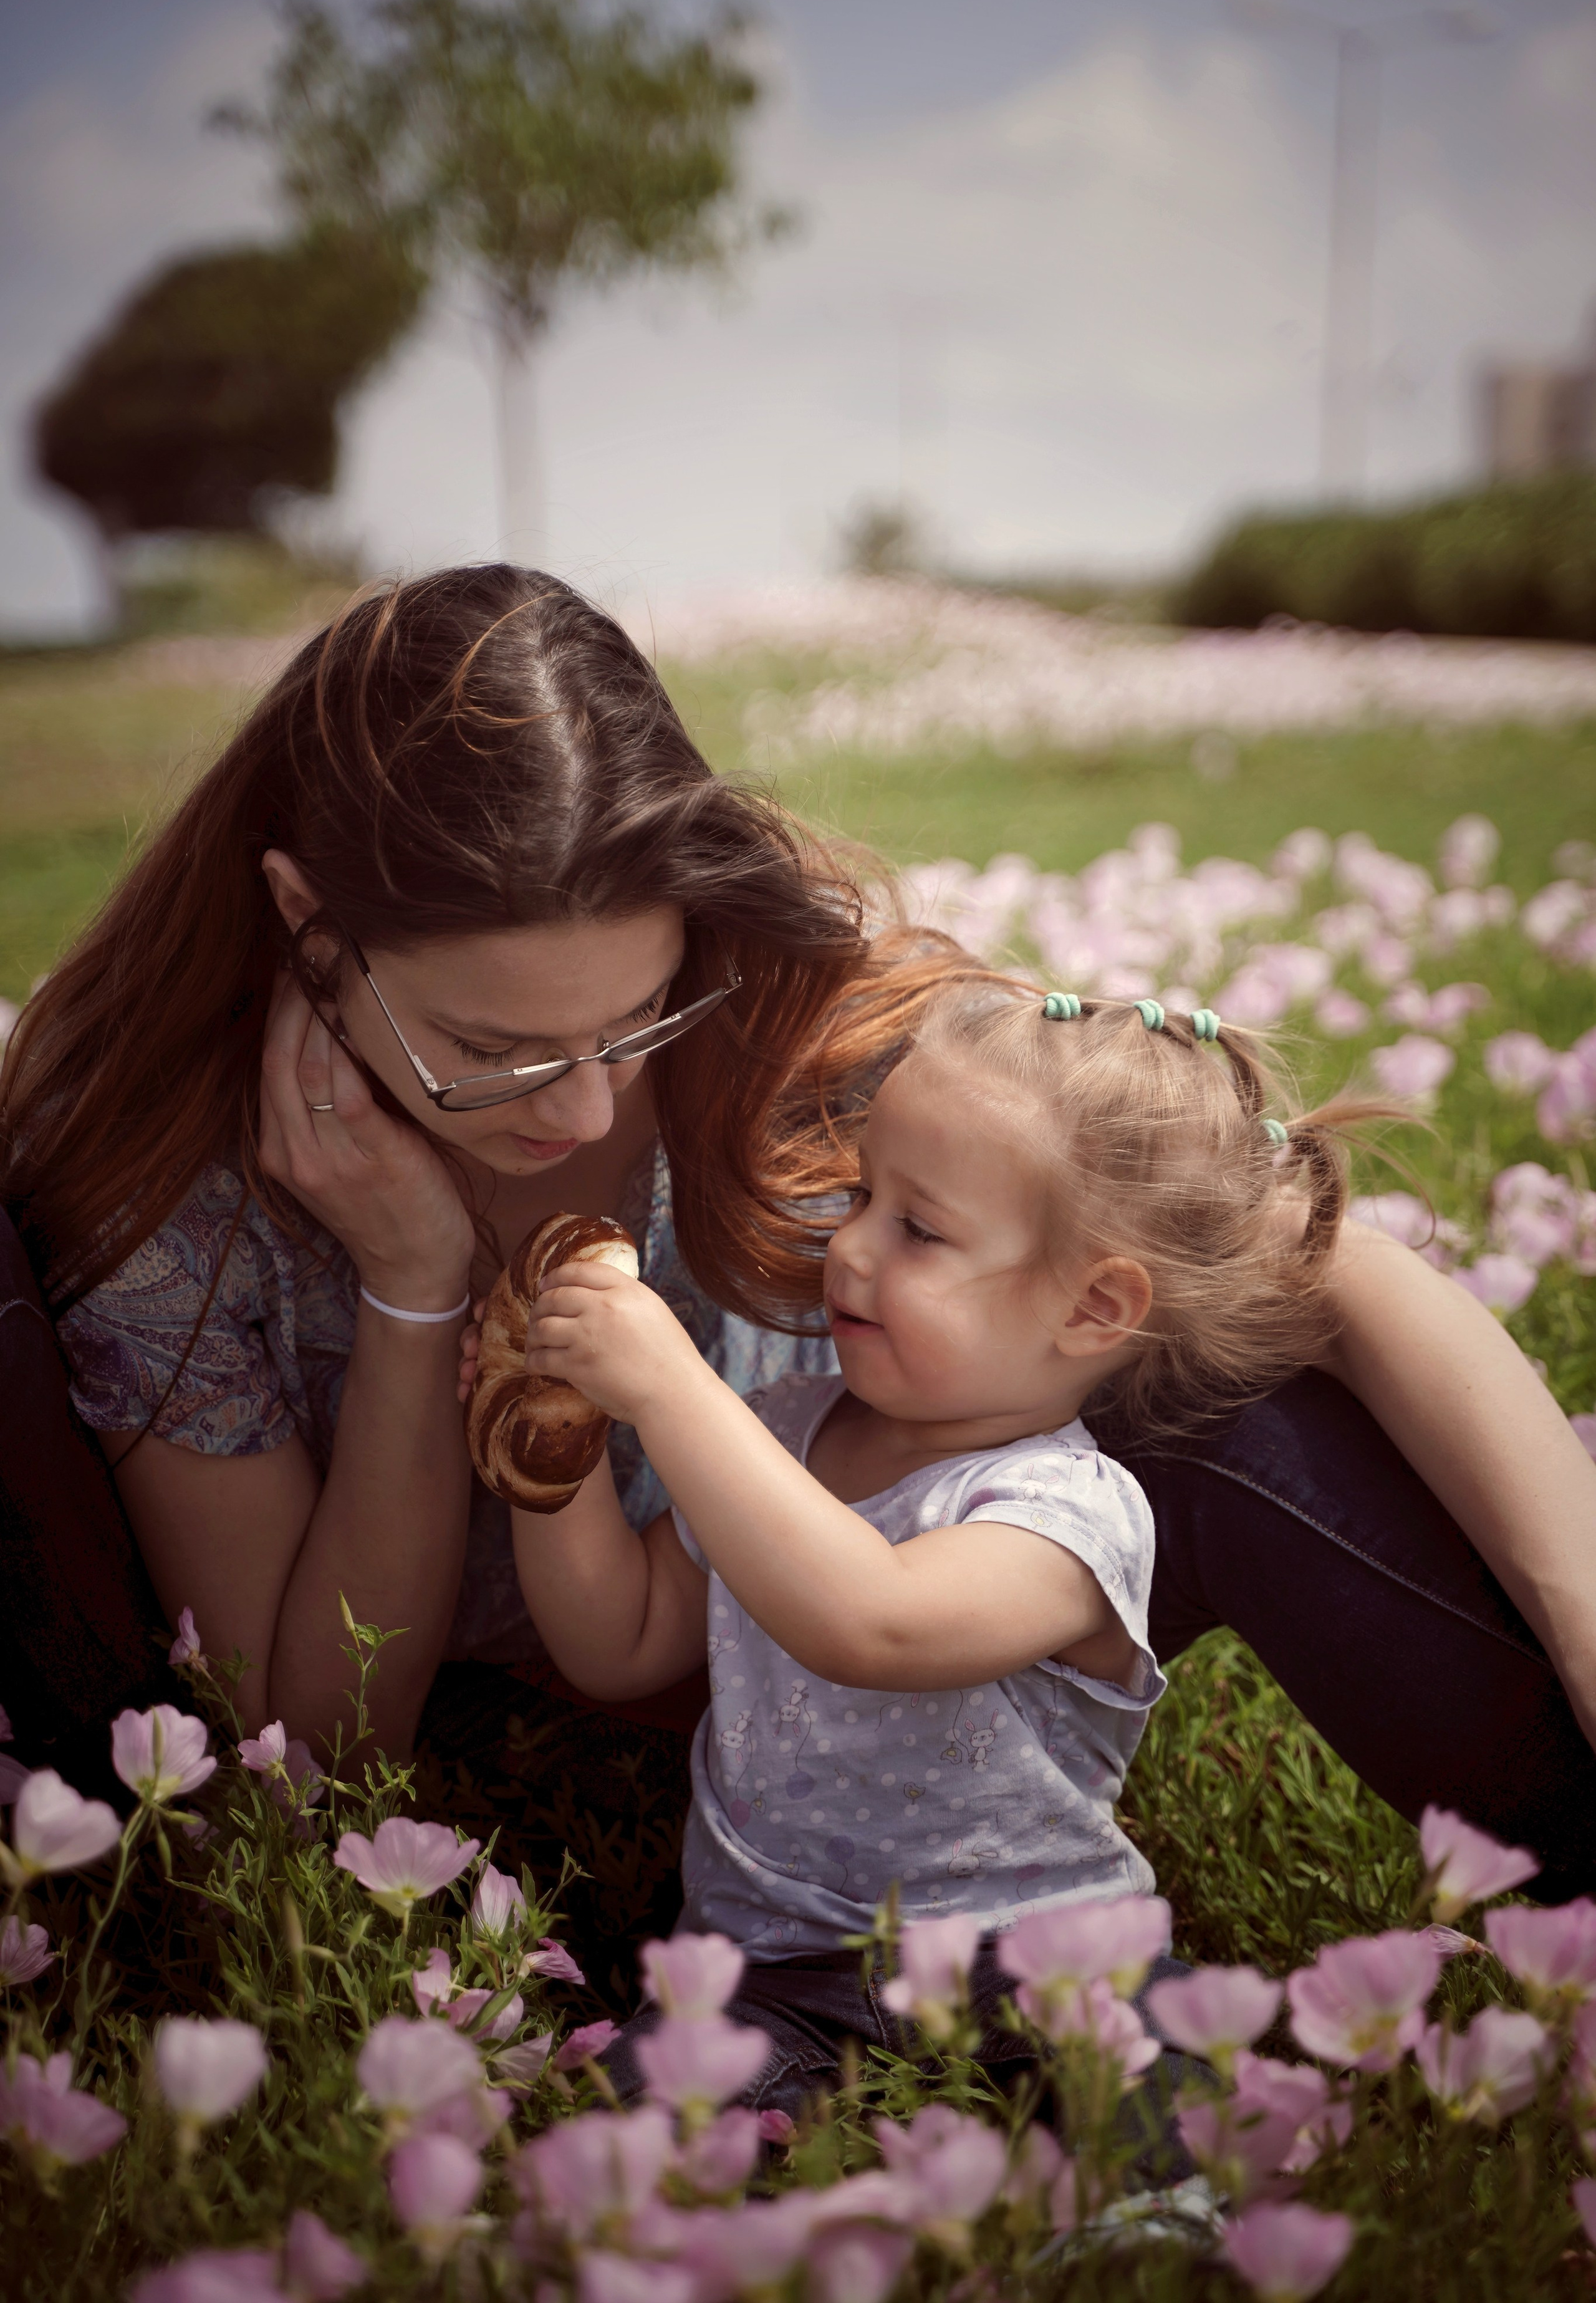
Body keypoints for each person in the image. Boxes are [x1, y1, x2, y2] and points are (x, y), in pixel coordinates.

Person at [1, 566, 1592, 2006]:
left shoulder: (772, 1021)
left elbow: (1336, 1277)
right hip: (648, 1767)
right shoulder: (177, 1188)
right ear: (308, 924)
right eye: (491, 1050)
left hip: (950, 1610)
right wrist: (410, 1296)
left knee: (1251, 1409)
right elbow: (318, 1749)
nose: (584, 1111)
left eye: (627, 1023)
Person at [483, 978, 1385, 2107]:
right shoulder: (782, 1434)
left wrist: (671, 1388)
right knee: (634, 2133)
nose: (851, 1245)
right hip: (769, 1976)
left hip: (1038, 1961)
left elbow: (877, 1623)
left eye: (918, 1228)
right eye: (863, 1193)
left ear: (1093, 1309)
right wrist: (548, 1448)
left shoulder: (1071, 1510)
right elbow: (618, 1641)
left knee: (1158, 2105)